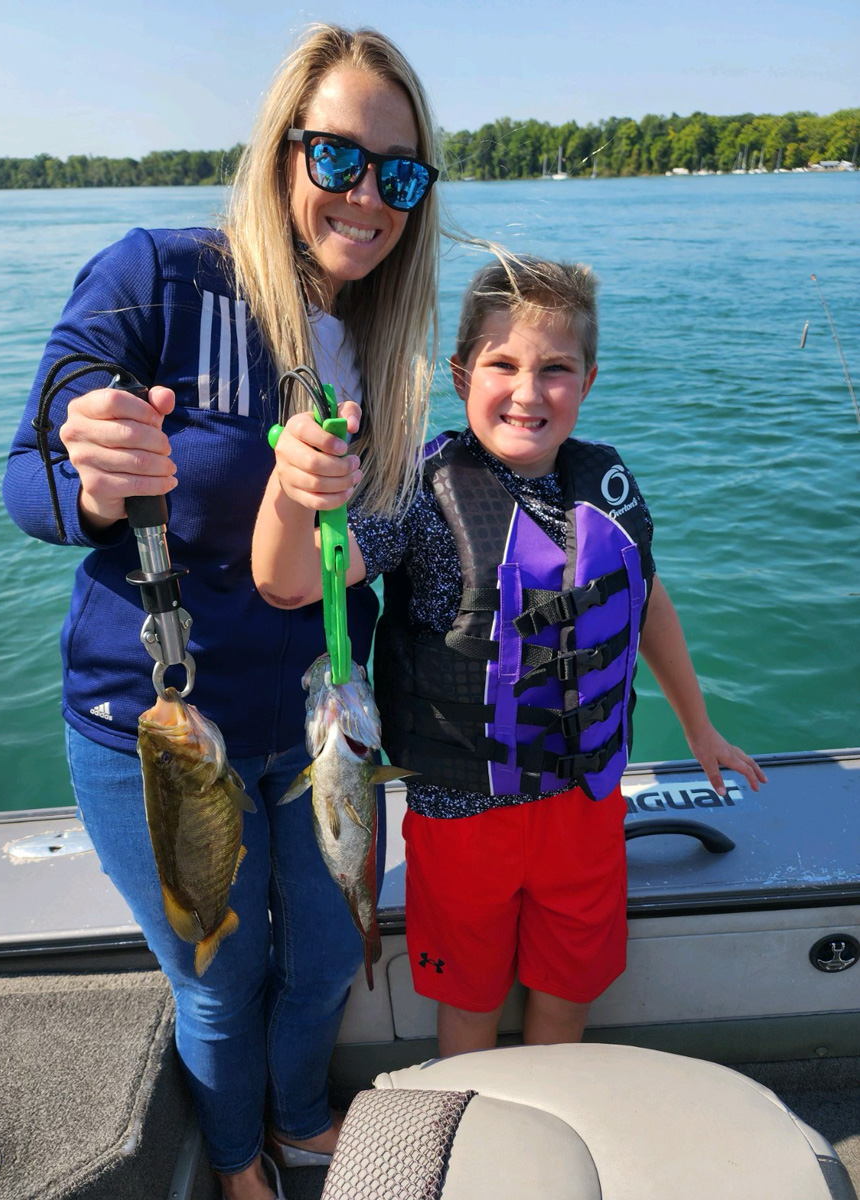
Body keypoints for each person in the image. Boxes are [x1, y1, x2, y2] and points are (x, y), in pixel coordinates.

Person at [3, 24, 442, 1200]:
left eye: (399, 173)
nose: (367, 196)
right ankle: (240, 1162)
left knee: (319, 966)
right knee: (219, 972)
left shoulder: (388, 348)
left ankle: (301, 1121)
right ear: (279, 150)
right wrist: (92, 480)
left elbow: (359, 560)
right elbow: (23, 481)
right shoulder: (152, 276)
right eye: (338, 156)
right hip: (156, 723)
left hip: (316, 730)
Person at [252, 254, 768, 1063]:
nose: (528, 392)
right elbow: (288, 581)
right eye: (503, 364)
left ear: (588, 381)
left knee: (566, 999)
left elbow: (648, 602)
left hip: (586, 806)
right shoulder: (422, 492)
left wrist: (699, 728)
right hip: (461, 815)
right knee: (469, 1007)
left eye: (556, 369)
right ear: (461, 373)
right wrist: (295, 490)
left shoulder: (609, 483)